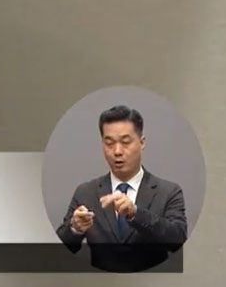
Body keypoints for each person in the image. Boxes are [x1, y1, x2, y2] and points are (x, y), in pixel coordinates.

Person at [56, 105, 188, 272]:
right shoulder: (86, 193)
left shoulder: (168, 191)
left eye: (125, 142)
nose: (117, 151)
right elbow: (59, 251)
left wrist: (135, 213)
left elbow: (178, 240)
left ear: (141, 143)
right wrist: (75, 229)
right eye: (109, 143)